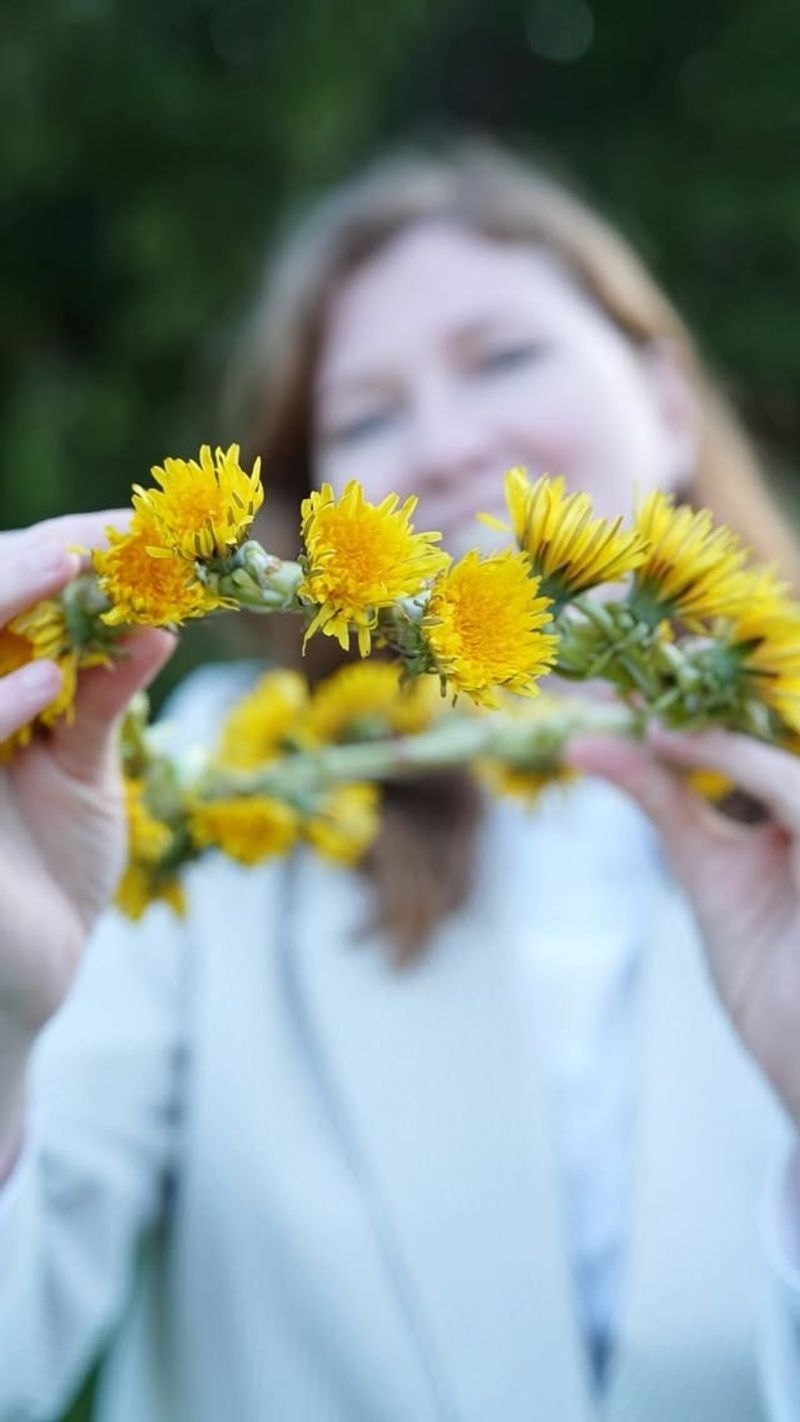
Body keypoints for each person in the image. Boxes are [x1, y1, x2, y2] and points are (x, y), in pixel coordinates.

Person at [1, 141, 799, 1422]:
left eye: (502, 357)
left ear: (659, 395)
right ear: (318, 512)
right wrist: (0, 1041)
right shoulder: (189, 784)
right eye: (365, 413)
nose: (442, 441)